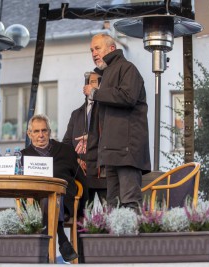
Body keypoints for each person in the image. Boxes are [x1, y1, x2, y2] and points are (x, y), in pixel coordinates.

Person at [83, 33, 151, 210]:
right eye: (91, 50)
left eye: (97, 48)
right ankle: (115, 238)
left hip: (126, 151)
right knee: (113, 205)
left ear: (111, 48)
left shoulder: (127, 68)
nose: (94, 53)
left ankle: (132, 238)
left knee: (129, 202)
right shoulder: (106, 74)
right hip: (111, 152)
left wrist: (95, 93)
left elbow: (128, 97)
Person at [22, 114, 83, 262]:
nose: (41, 135)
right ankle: (62, 239)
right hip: (34, 205)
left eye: (44, 130)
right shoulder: (22, 156)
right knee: (45, 198)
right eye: (36, 131)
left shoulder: (65, 151)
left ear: (49, 131)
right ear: (29, 134)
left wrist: (81, 210)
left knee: (51, 197)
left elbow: (80, 179)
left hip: (64, 201)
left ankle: (44, 255)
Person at [63, 71, 106, 205]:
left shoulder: (108, 111)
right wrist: (75, 159)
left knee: (110, 215)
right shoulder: (76, 114)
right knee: (83, 218)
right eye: (92, 81)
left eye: (98, 82)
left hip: (102, 173)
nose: (95, 85)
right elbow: (66, 144)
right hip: (82, 175)